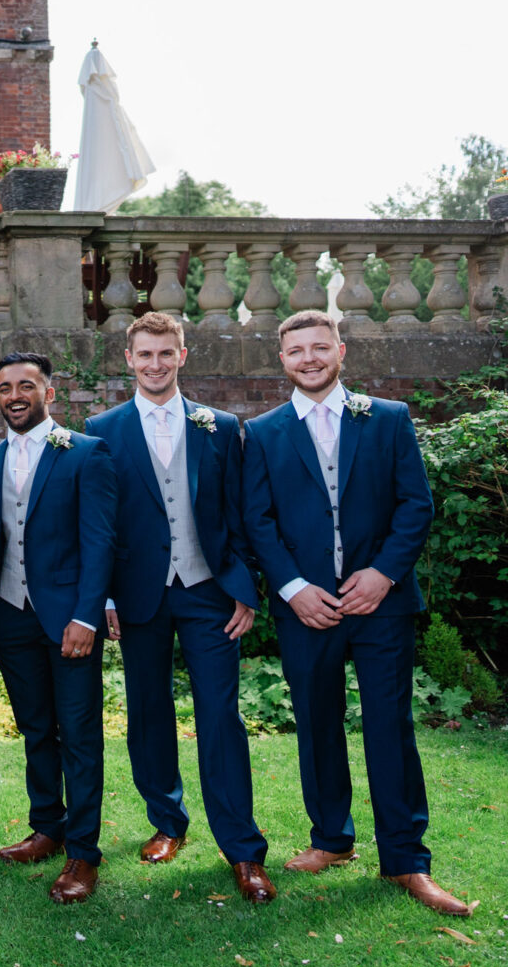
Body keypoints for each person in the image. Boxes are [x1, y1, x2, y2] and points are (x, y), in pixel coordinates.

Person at [242, 309, 468, 915]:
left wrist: (384, 574)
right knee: (316, 723)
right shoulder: (261, 432)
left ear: (341, 350)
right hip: (306, 608)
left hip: (382, 606)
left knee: (389, 728)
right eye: (297, 351)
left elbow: (414, 506)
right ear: (281, 358)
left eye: (320, 347)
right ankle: (331, 840)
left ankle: (406, 861)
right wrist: (291, 587)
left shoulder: (387, 418)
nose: (309, 359)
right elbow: (256, 521)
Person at [84, 312, 274, 903]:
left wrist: (244, 586)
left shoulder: (219, 427)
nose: (156, 364)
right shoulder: (101, 429)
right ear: (129, 359)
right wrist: (106, 594)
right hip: (138, 594)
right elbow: (99, 524)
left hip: (208, 591)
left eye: (167, 354)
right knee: (147, 710)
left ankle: (242, 849)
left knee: (220, 716)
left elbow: (241, 515)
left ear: (183, 356)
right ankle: (168, 822)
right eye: (146, 355)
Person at [0, 352, 116, 904]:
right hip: (10, 613)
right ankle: (48, 828)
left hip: (69, 619)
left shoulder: (86, 453)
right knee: (34, 727)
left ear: (48, 394)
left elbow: (101, 540)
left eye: (25, 385)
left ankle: (82, 852)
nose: (14, 395)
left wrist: (87, 614)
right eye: (5, 386)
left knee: (78, 735)